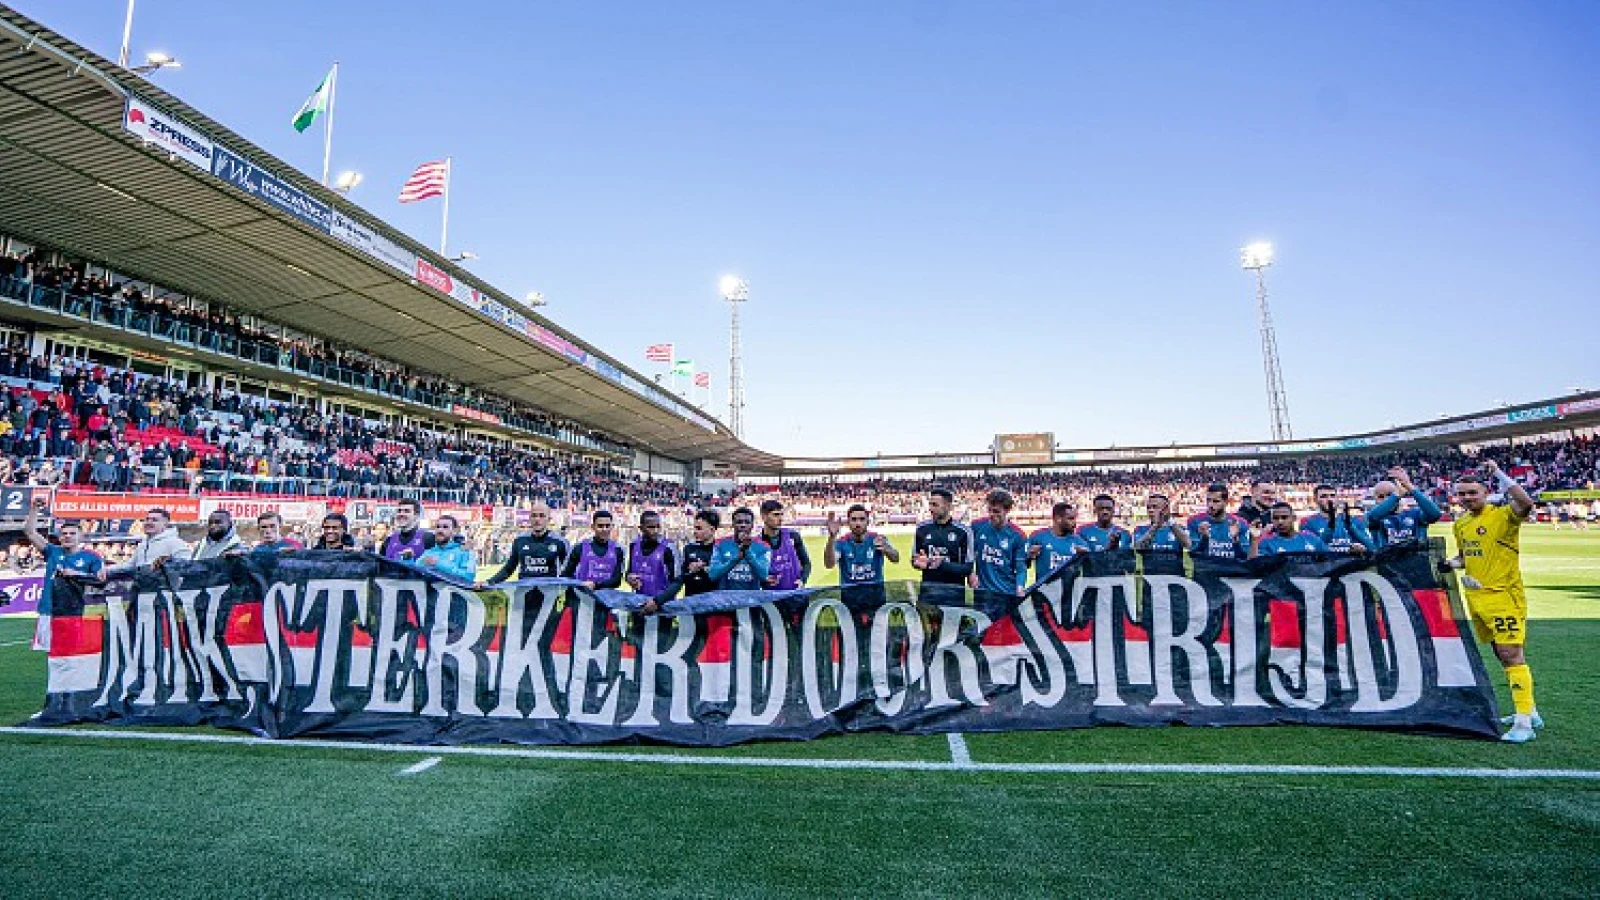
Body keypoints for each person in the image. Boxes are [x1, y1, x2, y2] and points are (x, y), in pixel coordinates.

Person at [1444, 461, 1541, 743]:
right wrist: (1451, 563)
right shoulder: (1461, 523)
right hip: (1477, 598)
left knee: (1512, 654)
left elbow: (1526, 502)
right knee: (1500, 653)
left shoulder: (1503, 515)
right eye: (1462, 494)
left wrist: (1498, 472)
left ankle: (1524, 725)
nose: (1467, 498)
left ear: (1486, 492)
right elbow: (1465, 556)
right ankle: (1529, 710)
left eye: (1472, 493)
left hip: (1504, 596)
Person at [23, 498, 104, 652]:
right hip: (48, 610)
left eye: (72, 533)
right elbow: (30, 532)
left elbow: (100, 581)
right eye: (64, 533)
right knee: (51, 653)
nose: (67, 536)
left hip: (73, 611)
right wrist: (34, 509)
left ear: (81, 537)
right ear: (59, 537)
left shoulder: (92, 557)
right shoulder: (53, 551)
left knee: (70, 653)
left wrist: (77, 573)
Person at [479, 501, 570, 587]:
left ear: (549, 519)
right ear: (529, 518)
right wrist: (489, 582)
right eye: (534, 516)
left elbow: (568, 572)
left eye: (542, 516)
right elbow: (508, 569)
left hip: (548, 596)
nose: (537, 519)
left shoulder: (560, 542)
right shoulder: (520, 540)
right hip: (522, 594)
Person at [824, 504, 899, 602]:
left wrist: (887, 549)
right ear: (848, 522)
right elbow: (829, 564)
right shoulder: (841, 543)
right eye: (854, 519)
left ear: (868, 521)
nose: (858, 523)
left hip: (875, 598)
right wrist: (832, 537)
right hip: (850, 600)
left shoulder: (878, 538)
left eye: (862, 519)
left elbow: (896, 558)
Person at [911, 487, 974, 588]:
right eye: (930, 504)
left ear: (948, 506)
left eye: (935, 505)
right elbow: (915, 560)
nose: (930, 509)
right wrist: (917, 563)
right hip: (928, 594)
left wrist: (942, 565)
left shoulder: (964, 532)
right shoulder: (921, 529)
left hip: (953, 595)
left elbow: (967, 568)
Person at [1366, 467, 1443, 549]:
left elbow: (1435, 514)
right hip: (1388, 561)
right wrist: (1395, 496)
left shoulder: (1416, 514)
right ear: (1374, 499)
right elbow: (1373, 516)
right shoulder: (1375, 518)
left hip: (1415, 561)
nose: (1386, 499)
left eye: (1389, 494)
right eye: (1381, 496)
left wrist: (1410, 487)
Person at [971, 489, 1029, 596]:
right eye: (990, 510)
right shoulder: (977, 526)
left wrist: (1020, 588)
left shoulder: (1018, 535)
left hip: (1006, 593)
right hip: (982, 593)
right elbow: (969, 556)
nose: (992, 514)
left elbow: (1021, 568)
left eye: (996, 511)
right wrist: (971, 573)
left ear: (1007, 510)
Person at [106, 507, 190, 575]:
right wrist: (105, 570)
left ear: (165, 524)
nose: (149, 522)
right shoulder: (142, 545)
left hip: (165, 592)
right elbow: (129, 565)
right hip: (143, 590)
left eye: (154, 520)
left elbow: (186, 568)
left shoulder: (176, 543)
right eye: (147, 519)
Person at [661, 508, 720, 602]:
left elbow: (722, 579)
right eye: (695, 528)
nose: (695, 532)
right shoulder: (689, 549)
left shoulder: (720, 550)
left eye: (699, 528)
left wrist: (705, 569)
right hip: (690, 603)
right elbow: (681, 578)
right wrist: (690, 571)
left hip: (712, 604)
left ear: (712, 530)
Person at [626, 510, 678, 613]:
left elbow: (677, 582)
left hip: (662, 607)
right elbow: (629, 572)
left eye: (658, 526)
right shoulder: (633, 546)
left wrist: (657, 601)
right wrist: (629, 578)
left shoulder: (669, 548)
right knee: (637, 629)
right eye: (651, 527)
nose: (656, 530)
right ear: (641, 528)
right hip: (639, 604)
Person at [707, 507, 771, 590]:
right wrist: (736, 559)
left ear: (752, 525)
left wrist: (747, 551)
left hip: (751, 601)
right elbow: (713, 575)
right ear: (733, 524)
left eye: (747, 522)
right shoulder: (720, 544)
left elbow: (763, 575)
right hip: (727, 601)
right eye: (739, 522)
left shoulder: (763, 546)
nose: (743, 525)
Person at [1300, 484, 1374, 554]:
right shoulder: (1308, 522)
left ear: (1337, 499)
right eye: (1323, 496)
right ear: (1315, 500)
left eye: (1332, 496)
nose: (1329, 499)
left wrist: (1362, 548)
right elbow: (1311, 549)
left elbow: (1370, 547)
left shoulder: (1354, 520)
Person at [1026, 501, 1089, 582]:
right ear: (1058, 519)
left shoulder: (1080, 542)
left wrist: (1087, 556)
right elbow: (1022, 565)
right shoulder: (1038, 537)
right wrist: (1028, 556)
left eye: (1075, 518)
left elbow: (1090, 570)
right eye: (1070, 519)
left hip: (1070, 592)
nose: (1074, 522)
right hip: (1043, 591)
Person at [562, 510, 625, 590]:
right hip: (582, 598)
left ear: (612, 527)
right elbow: (566, 575)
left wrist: (596, 585)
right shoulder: (579, 548)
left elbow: (617, 581)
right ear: (593, 527)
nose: (604, 529)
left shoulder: (618, 550)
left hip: (605, 599)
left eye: (607, 526)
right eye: (600, 526)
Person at [1188, 483, 1252, 561]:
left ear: (1226, 502)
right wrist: (1204, 538)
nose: (1210, 505)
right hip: (1206, 571)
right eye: (1208, 500)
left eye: (1216, 501)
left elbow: (1244, 557)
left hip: (1231, 571)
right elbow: (1193, 556)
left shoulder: (1240, 523)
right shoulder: (1194, 522)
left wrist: (1235, 540)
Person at [1131, 493, 1192, 575]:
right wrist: (1156, 526)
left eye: (1155, 507)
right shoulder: (1141, 529)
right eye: (1148, 507)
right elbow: (1139, 548)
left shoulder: (1178, 529)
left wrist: (1169, 520)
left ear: (1166, 509)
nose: (1151, 510)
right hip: (1151, 583)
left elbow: (1187, 544)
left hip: (1176, 581)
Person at [758, 499, 811, 589]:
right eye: (776, 515)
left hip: (795, 596)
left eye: (781, 514)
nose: (780, 519)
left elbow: (806, 563)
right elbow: (755, 573)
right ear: (764, 517)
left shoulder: (793, 536)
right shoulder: (757, 543)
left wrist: (802, 580)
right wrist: (763, 581)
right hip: (771, 598)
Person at [415, 515, 477, 582]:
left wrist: (439, 564)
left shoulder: (465, 551)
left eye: (445, 527)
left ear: (455, 531)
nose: (440, 530)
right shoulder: (429, 552)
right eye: (437, 527)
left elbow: (468, 577)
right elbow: (415, 571)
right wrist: (407, 560)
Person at [1253, 502, 1329, 556]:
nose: (1280, 522)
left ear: (1294, 518)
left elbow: (1329, 559)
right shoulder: (1266, 543)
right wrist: (1254, 540)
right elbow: (1254, 567)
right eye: (1276, 518)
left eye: (1284, 517)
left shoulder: (1311, 539)